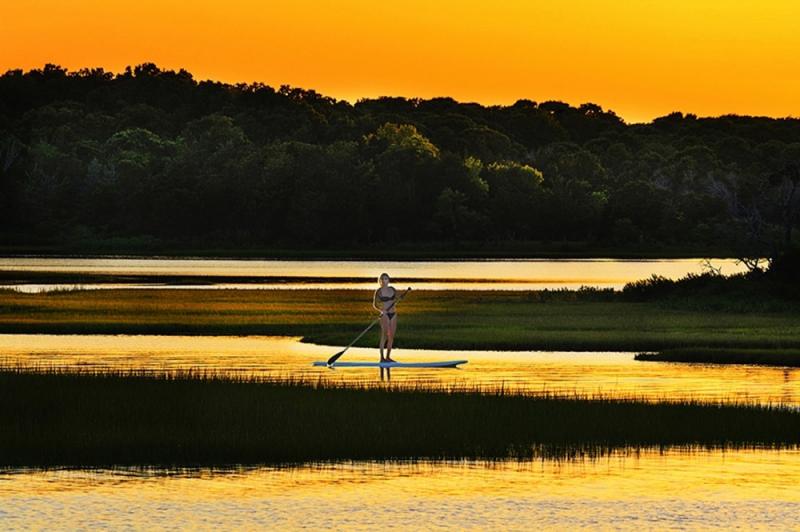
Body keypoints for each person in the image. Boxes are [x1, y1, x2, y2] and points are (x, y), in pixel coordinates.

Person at [373, 272, 399, 362]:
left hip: (393, 314)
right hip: (385, 315)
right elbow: (375, 305)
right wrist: (382, 310)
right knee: (384, 336)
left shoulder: (393, 289)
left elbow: (397, 299)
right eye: (383, 279)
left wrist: (396, 301)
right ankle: (382, 358)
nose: (384, 281)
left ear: (388, 280)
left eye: (386, 279)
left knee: (391, 336)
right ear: (380, 281)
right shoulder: (378, 291)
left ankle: (388, 357)